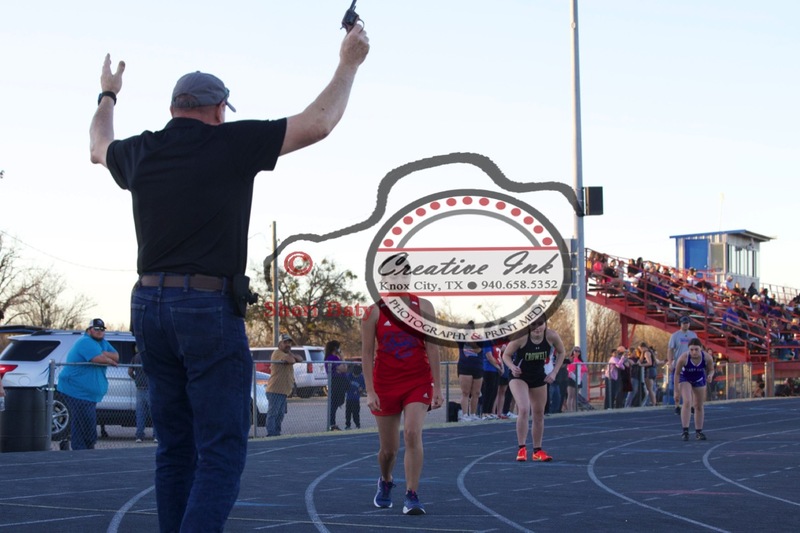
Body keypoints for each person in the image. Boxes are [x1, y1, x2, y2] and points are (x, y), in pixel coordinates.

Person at [88, 23, 370, 531]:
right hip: (205, 308)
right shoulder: (232, 142)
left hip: (148, 306)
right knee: (222, 450)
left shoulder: (142, 151)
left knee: (175, 448)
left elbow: (97, 143)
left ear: (175, 108)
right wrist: (349, 62)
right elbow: (319, 123)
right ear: (219, 111)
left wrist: (109, 93)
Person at [361, 278, 443, 515]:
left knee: (412, 433)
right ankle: (385, 480)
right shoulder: (373, 312)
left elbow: (433, 347)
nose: (397, 281)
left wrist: (437, 387)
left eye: (401, 275)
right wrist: (370, 391)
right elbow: (366, 354)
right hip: (385, 384)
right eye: (391, 277)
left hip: (417, 381)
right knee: (389, 450)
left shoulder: (424, 307)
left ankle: (411, 494)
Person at [501, 317, 566, 462]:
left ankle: (537, 450)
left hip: (538, 376)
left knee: (538, 413)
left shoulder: (551, 336)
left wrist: (554, 372)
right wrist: (512, 367)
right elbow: (506, 355)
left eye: (540, 324)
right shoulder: (521, 337)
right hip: (519, 376)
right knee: (524, 409)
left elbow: (562, 352)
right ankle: (522, 448)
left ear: (545, 324)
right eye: (533, 325)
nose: (537, 328)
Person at [56, 319, 119, 450]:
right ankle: (84, 449)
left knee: (81, 421)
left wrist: (103, 353)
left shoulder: (102, 343)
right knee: (86, 421)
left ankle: (81, 450)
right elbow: (96, 359)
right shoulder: (85, 341)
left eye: (102, 329)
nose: (100, 331)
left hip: (88, 394)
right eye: (96, 329)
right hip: (75, 389)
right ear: (89, 330)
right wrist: (108, 359)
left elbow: (116, 356)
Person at [673, 338, 714, 441]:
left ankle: (699, 431)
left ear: (701, 349)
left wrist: (710, 375)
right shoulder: (683, 358)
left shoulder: (707, 357)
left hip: (699, 378)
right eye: (691, 350)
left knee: (698, 405)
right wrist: (676, 391)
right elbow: (676, 374)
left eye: (696, 349)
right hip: (685, 378)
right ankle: (685, 430)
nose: (694, 352)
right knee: (687, 401)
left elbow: (711, 369)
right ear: (688, 349)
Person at [265, 334, 304, 437]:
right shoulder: (277, 353)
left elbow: (301, 359)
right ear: (279, 344)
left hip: (284, 390)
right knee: (273, 413)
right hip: (275, 389)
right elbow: (292, 360)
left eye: (289, 342)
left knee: (280, 414)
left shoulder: (287, 354)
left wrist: (290, 353)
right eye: (285, 342)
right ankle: (271, 433)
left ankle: (277, 433)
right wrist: (291, 356)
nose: (288, 344)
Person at [667, 316, 698, 409]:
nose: (686, 325)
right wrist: (670, 362)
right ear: (680, 324)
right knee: (677, 386)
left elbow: (698, 349)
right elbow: (670, 349)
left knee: (692, 385)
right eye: (684, 323)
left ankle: (691, 405)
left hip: (690, 364)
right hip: (679, 364)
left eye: (687, 323)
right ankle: (677, 405)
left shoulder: (693, 335)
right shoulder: (675, 336)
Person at [456, 322, 484, 421]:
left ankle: (473, 414)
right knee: (465, 392)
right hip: (465, 367)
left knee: (476, 392)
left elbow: (478, 350)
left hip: (477, 367)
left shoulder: (479, 338)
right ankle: (464, 415)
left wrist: (471, 340)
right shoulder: (461, 338)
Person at [128, 351, 156, 443]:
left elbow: (130, 371)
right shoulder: (151, 355)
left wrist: (136, 379)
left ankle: (139, 436)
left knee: (140, 414)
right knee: (154, 413)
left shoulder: (136, 357)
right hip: (150, 387)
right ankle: (156, 436)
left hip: (139, 388)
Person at [325, 340, 349, 431]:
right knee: (334, 403)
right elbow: (343, 369)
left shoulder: (336, 357)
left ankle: (332, 423)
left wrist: (342, 365)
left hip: (340, 381)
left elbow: (344, 369)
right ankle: (332, 423)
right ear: (335, 348)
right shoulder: (332, 358)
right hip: (336, 381)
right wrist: (342, 358)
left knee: (339, 401)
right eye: (338, 347)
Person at [565, 347, 586, 412]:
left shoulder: (581, 361)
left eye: (578, 351)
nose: (577, 352)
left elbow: (585, 369)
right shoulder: (571, 360)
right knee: (570, 396)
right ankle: (569, 410)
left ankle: (574, 410)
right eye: (575, 351)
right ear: (573, 351)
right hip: (571, 379)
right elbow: (569, 369)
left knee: (574, 397)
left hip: (578, 380)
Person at [345, 364, 366, 430]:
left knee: (356, 412)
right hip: (349, 398)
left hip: (356, 398)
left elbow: (363, 386)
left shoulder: (361, 377)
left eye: (357, 375)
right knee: (348, 412)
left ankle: (357, 424)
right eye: (355, 375)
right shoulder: (349, 376)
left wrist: (361, 388)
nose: (356, 376)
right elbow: (345, 385)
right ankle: (348, 425)